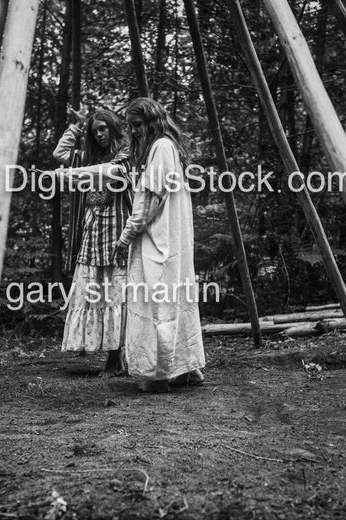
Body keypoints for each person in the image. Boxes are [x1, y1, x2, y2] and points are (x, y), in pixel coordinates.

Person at [112, 98, 205, 393]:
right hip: (170, 239)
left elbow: (149, 198)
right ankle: (184, 369)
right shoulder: (167, 148)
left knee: (157, 304)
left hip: (159, 241)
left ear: (152, 122)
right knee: (174, 301)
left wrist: (125, 236)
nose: (134, 132)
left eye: (137, 126)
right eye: (130, 127)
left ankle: (159, 373)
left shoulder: (161, 147)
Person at [53, 108, 132, 376]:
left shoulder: (126, 155)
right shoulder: (91, 157)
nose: (99, 134)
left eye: (103, 128)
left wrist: (64, 175)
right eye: (94, 130)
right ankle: (108, 354)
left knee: (115, 294)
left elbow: (111, 174)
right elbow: (61, 155)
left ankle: (115, 358)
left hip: (117, 233)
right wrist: (77, 127)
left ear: (113, 126)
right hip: (93, 232)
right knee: (94, 293)